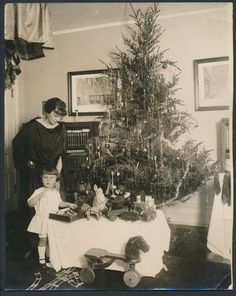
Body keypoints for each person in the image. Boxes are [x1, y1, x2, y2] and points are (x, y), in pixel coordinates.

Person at [12, 97, 68, 224]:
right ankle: (38, 240)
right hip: (36, 174)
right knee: (38, 211)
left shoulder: (61, 129)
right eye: (56, 115)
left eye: (61, 116)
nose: (58, 119)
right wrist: (26, 163)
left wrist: (56, 178)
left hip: (54, 173)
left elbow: (61, 155)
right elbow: (17, 144)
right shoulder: (31, 127)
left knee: (57, 209)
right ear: (47, 112)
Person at [27, 167, 76, 268]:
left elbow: (59, 203)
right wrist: (40, 195)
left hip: (53, 219)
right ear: (42, 179)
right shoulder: (39, 190)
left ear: (55, 180)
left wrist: (68, 204)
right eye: (46, 177)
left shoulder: (55, 192)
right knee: (43, 239)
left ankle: (50, 256)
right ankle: (41, 259)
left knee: (52, 238)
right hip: (43, 219)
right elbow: (30, 204)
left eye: (51, 178)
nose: (48, 180)